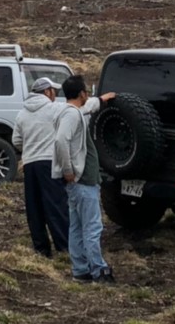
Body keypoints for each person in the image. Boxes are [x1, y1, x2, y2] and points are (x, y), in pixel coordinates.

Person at [52, 75, 118, 283]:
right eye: (86, 92)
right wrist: (68, 169)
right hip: (82, 180)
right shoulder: (72, 115)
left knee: (77, 226)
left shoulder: (70, 110)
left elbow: (86, 107)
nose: (87, 95)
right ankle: (99, 270)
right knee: (92, 226)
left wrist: (101, 99)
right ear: (81, 93)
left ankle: (80, 269)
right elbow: (61, 140)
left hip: (78, 181)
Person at [11, 76, 68, 257]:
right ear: (47, 92)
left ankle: (41, 249)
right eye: (54, 91)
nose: (55, 95)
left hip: (30, 164)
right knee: (55, 204)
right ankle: (64, 246)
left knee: (34, 207)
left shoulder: (22, 113)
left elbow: (16, 140)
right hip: (49, 162)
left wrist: (29, 148)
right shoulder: (55, 109)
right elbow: (77, 111)